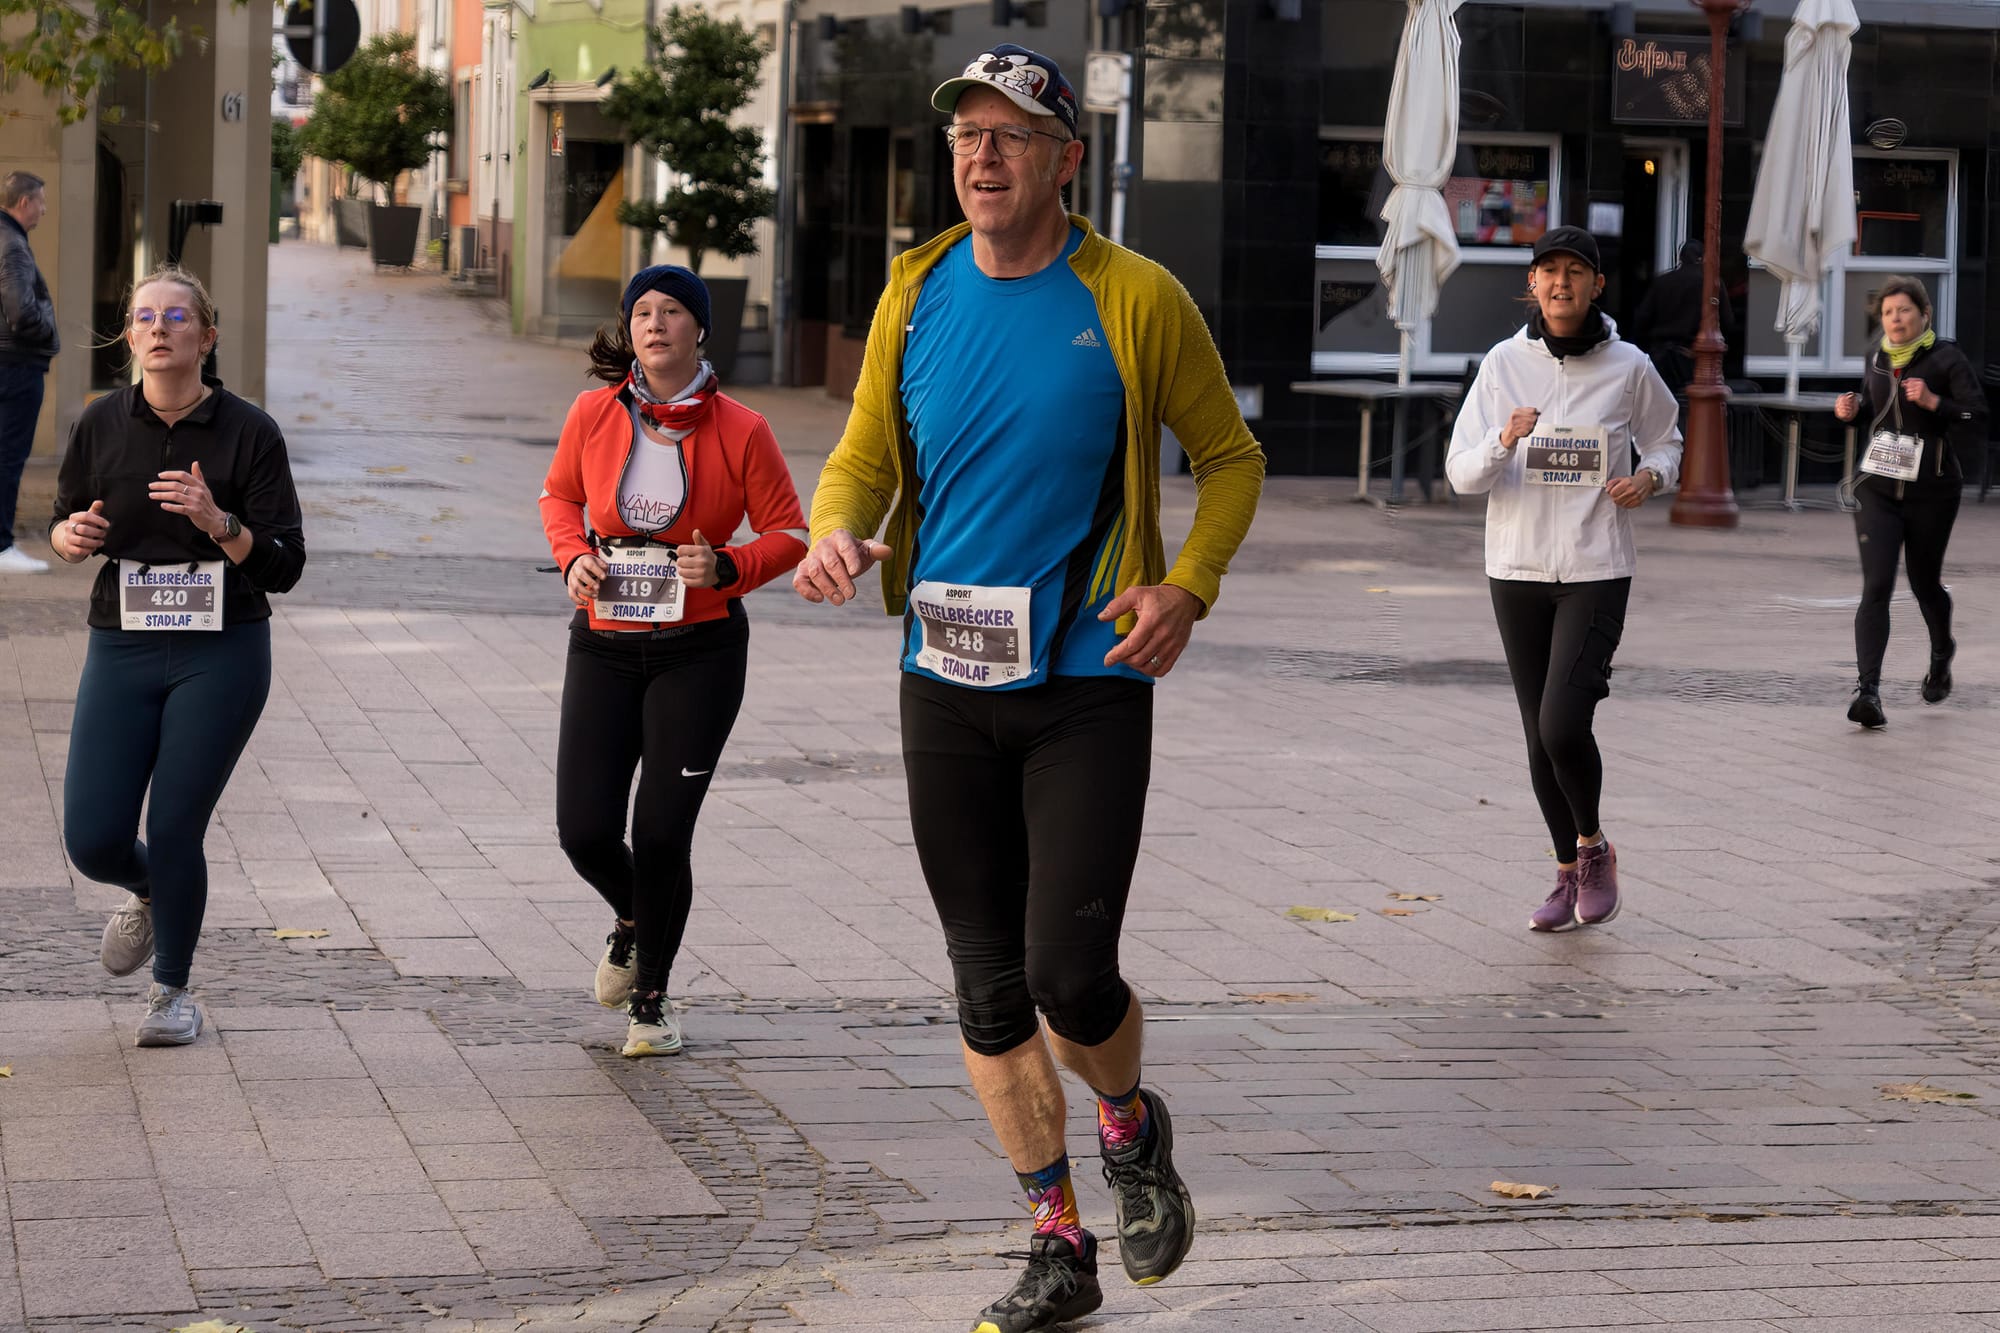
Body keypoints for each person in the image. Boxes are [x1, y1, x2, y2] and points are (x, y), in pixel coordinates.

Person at [793, 44, 1264, 1333]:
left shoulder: (1135, 297)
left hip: (1084, 681)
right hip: (941, 678)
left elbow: (1228, 458)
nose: (981, 156)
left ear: (1065, 159)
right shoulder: (914, 291)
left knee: (1068, 973)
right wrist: (832, 531)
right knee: (986, 986)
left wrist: (1187, 587)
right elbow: (860, 461)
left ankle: (1128, 1121)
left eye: (1008, 135)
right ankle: (1056, 1242)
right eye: (965, 136)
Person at [539, 264, 807, 1058]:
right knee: (584, 829)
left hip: (700, 652)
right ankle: (633, 916)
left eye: (672, 311)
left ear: (700, 328)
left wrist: (729, 566)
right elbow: (558, 497)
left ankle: (651, 999)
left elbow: (789, 532)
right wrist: (572, 556)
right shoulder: (592, 413)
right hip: (604, 643)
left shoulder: (744, 428)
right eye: (642, 313)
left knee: (659, 831)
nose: (654, 324)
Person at [49, 263, 305, 1045]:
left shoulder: (250, 432)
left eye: (177, 316)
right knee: (92, 836)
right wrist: (68, 538)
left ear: (208, 335)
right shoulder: (101, 423)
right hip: (123, 642)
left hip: (222, 650)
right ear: (129, 338)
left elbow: (285, 565)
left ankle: (172, 992)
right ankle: (152, 892)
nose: (159, 327)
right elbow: (63, 520)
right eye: (144, 317)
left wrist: (219, 522)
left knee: (174, 824)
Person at [1446, 226, 1681, 936]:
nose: (1560, 283)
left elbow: (1667, 439)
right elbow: (1461, 474)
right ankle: (1564, 870)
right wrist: (1503, 440)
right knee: (1536, 737)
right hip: (1515, 568)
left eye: (1574, 272)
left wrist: (1650, 477)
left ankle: (1594, 847)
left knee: (1561, 723)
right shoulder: (1502, 365)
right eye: (1548, 271)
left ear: (1596, 285)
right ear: (1532, 284)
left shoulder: (1630, 366)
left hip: (1595, 567)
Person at [1833, 275, 1985, 729]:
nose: (1895, 319)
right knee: (1877, 584)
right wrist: (1851, 411)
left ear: (1924, 314)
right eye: (1887, 313)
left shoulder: (1947, 358)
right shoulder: (1876, 356)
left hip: (1932, 491)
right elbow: (1873, 409)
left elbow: (1977, 414)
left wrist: (1936, 402)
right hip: (1878, 488)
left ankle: (1941, 651)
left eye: (1903, 311)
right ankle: (1868, 692)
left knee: (1923, 582)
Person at [0, 171, 59, 573]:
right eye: (40, 201)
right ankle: (2, 547)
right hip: (16, 367)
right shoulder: (13, 246)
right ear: (24, 203)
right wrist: (49, 328)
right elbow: (20, 313)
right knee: (8, 457)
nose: (44, 209)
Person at [1629, 238, 1734, 400]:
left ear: (1680, 258)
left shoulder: (1661, 282)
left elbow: (1642, 320)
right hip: (1695, 359)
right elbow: (1727, 322)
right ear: (1703, 258)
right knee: (1693, 406)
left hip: (1660, 357)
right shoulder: (1712, 283)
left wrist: (1647, 347)